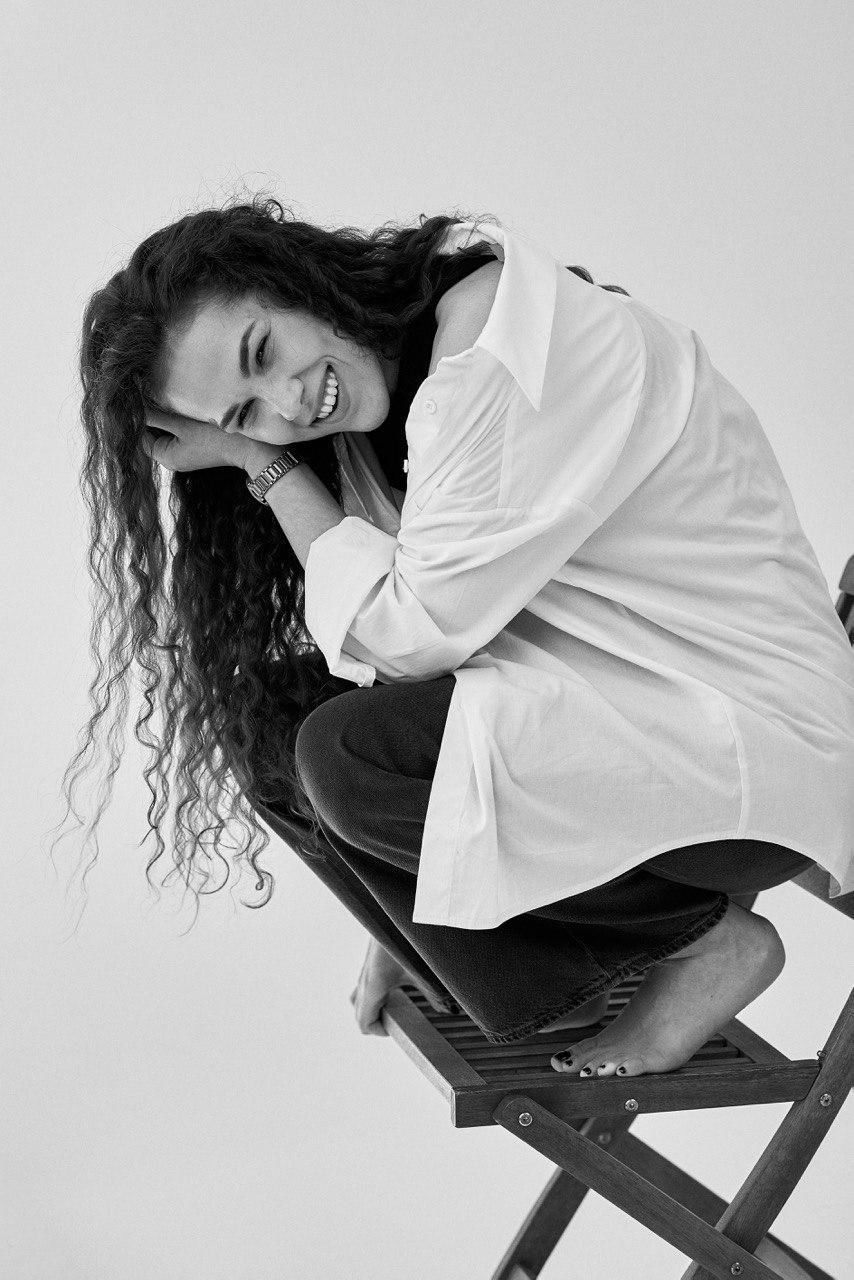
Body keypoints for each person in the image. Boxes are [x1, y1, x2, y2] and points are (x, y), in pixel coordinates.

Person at [52, 195, 854, 1081]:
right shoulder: (383, 396)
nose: (287, 402)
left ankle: (706, 944)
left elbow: (408, 639)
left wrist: (259, 461)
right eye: (242, 413)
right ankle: (524, 966)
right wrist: (403, 908)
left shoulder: (491, 349)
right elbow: (420, 649)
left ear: (294, 279)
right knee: (266, 714)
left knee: (347, 752)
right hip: (635, 738)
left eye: (263, 352)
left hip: (748, 756)